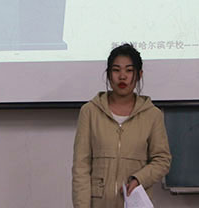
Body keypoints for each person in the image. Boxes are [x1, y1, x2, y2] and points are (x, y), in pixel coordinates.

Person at [72, 43, 171, 208]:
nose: (122, 76)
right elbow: (81, 167)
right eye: (116, 70)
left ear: (139, 75)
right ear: (108, 74)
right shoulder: (89, 112)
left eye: (129, 70)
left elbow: (162, 160)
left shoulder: (152, 115)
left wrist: (139, 179)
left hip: (133, 202)